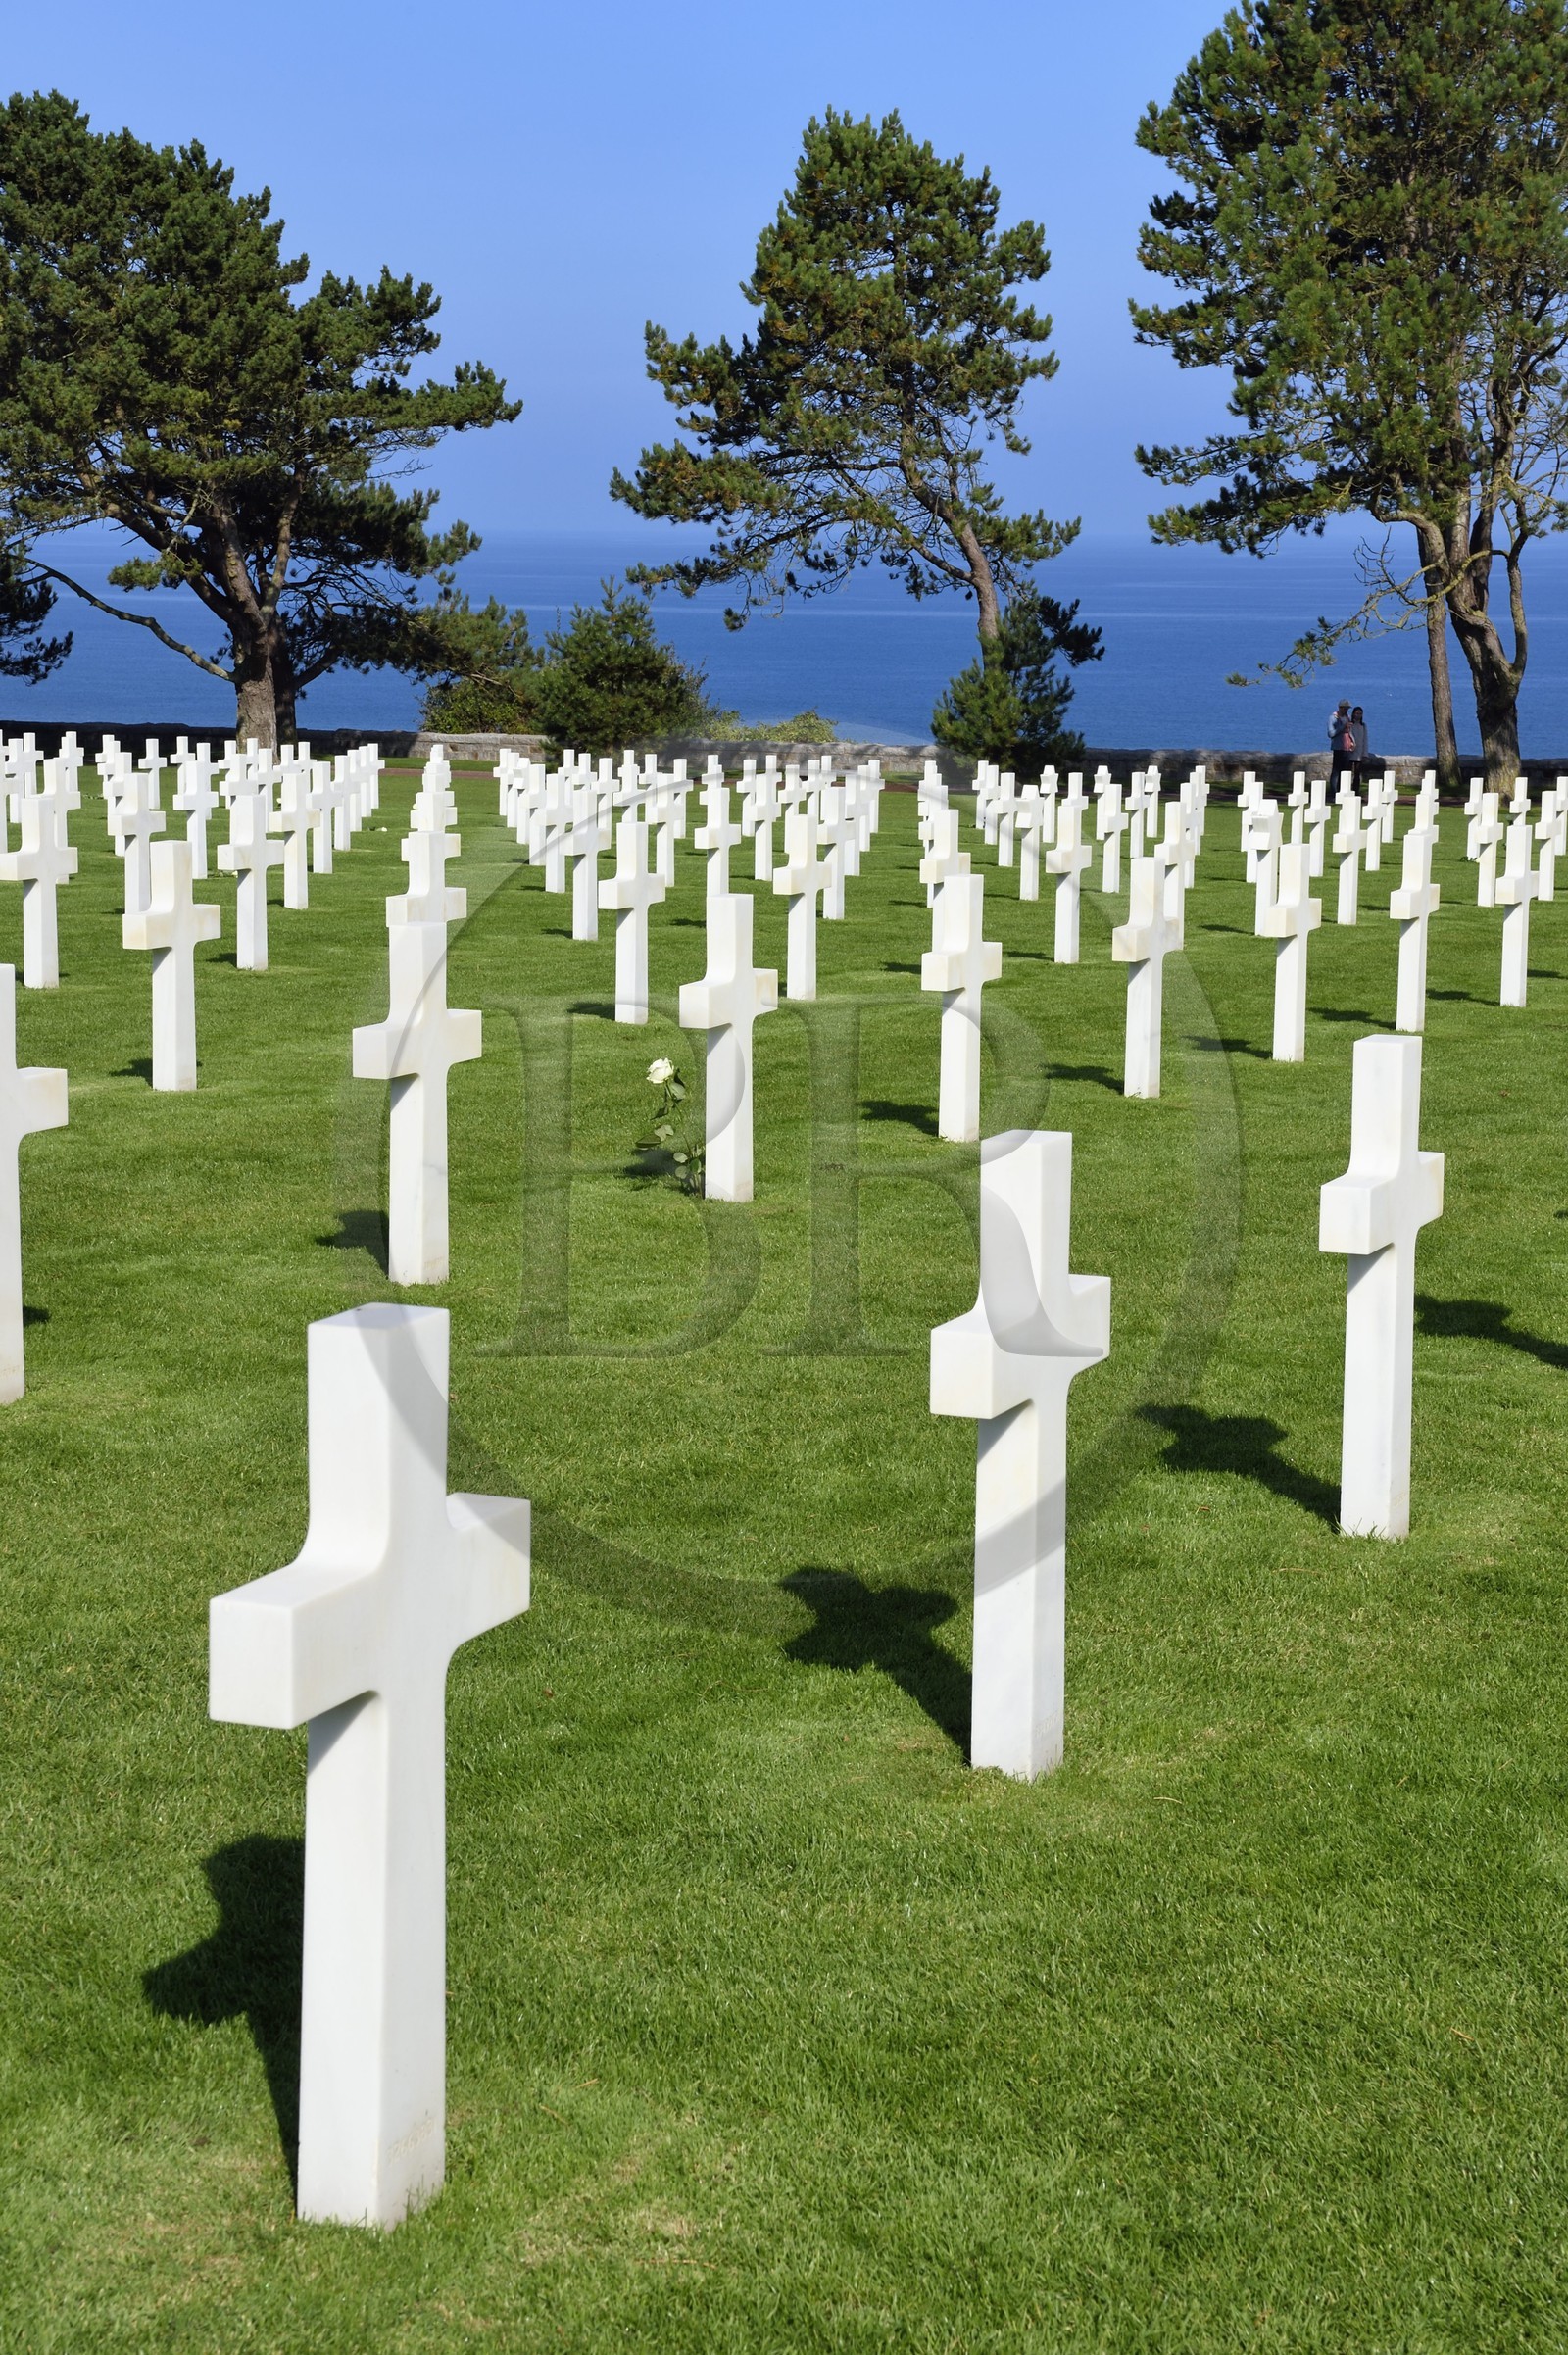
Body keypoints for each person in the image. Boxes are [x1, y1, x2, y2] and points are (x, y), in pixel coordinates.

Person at [1328, 699, 1357, 782]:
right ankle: (1334, 791)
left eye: (1347, 709)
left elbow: (1349, 732)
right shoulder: (1333, 718)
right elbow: (1331, 734)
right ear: (1340, 708)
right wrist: (1343, 727)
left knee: (1345, 772)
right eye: (1344, 708)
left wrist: (1353, 742)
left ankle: (1342, 790)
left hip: (1347, 748)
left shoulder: (1348, 717)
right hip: (1338, 748)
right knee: (1336, 771)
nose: (1346, 710)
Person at [1350, 705, 1370, 787]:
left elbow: (1365, 740)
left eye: (1360, 714)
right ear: (1354, 714)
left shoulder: (1363, 726)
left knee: (1357, 773)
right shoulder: (1350, 725)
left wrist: (1365, 754)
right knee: (1348, 772)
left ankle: (1356, 789)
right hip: (1351, 752)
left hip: (1359, 753)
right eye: (1357, 713)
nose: (1358, 715)